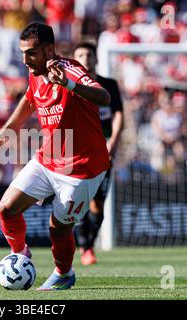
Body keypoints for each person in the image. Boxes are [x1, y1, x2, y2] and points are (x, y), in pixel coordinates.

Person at [0, 23, 110, 290]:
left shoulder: (70, 69)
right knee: (6, 208)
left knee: (57, 229)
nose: (25, 60)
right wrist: (3, 133)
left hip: (81, 170)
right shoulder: (35, 72)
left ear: (50, 50)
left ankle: (64, 274)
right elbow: (29, 100)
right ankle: (20, 254)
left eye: (32, 53)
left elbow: (104, 97)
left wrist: (70, 84)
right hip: (48, 158)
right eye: (23, 53)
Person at [72, 41, 123, 265]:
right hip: (77, 153)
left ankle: (86, 244)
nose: (85, 58)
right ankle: (85, 247)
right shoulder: (70, 85)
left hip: (103, 152)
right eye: (80, 55)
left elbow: (119, 114)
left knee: (97, 204)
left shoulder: (108, 85)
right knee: (76, 201)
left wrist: (113, 142)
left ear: (96, 58)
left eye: (88, 54)